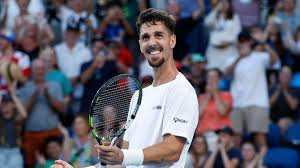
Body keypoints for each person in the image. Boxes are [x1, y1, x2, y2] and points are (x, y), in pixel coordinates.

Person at [53, 8, 199, 168]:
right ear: (140, 45)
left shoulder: (181, 89)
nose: (152, 42)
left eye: (159, 35)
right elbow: (123, 163)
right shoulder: (138, 96)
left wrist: (123, 156)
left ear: (172, 40)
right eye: (145, 37)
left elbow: (172, 150)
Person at [224, 29, 278, 149]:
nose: (243, 43)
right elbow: (227, 73)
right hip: (237, 104)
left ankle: (261, 164)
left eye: (246, 41)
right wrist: (240, 58)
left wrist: (264, 43)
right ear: (237, 43)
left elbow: (275, 60)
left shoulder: (260, 57)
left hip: (258, 103)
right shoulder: (232, 59)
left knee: (260, 137)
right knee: (236, 138)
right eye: (241, 41)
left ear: (250, 42)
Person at [18, 59, 65, 167]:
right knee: (32, 165)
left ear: (46, 70)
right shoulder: (25, 88)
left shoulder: (55, 86)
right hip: (32, 135)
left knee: (56, 165)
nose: (40, 71)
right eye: (37, 69)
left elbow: (62, 110)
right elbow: (21, 115)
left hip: (52, 135)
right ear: (32, 71)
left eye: (42, 69)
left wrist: (49, 96)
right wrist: (34, 95)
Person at [195, 68, 233, 135]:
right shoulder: (201, 97)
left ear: (220, 80)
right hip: (204, 132)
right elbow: (198, 116)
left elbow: (223, 112)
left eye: (214, 77)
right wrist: (207, 95)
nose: (211, 79)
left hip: (221, 133)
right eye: (209, 77)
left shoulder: (227, 95)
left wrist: (216, 93)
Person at [0, 88, 27, 167]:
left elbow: (24, 115)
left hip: (15, 152)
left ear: (13, 104)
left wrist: (14, 96)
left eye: (7, 102)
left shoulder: (16, 119)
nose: (4, 104)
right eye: (2, 102)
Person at [269, 66, 299, 134]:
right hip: (273, 119)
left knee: (282, 122)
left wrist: (285, 90)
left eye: (287, 74)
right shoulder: (272, 89)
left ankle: (282, 141)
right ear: (279, 75)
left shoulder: (296, 90)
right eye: (283, 74)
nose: (284, 76)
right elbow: (270, 105)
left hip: (289, 119)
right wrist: (278, 90)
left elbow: (293, 106)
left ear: (291, 78)